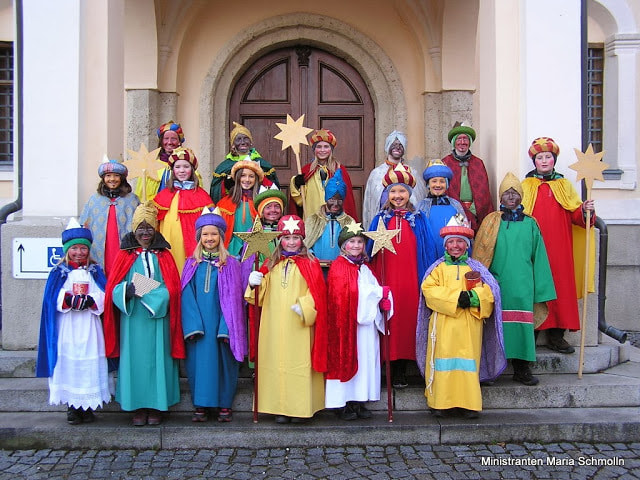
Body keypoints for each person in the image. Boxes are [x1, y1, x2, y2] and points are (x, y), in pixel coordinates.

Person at [103, 203, 185, 426]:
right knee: (135, 362)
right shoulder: (125, 255)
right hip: (132, 318)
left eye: (149, 227)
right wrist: (125, 291)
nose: (145, 232)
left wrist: (154, 296)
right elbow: (112, 287)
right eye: (141, 228)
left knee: (159, 360)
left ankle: (158, 405)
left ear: (155, 229)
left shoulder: (164, 255)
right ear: (134, 229)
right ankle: (137, 405)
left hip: (158, 317)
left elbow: (173, 288)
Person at [416, 216, 505, 419]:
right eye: (451, 242)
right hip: (444, 325)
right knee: (443, 362)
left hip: (469, 326)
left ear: (467, 245)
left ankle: (468, 403)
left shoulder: (476, 269)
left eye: (460, 242)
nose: (455, 246)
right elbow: (429, 291)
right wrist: (457, 298)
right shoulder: (437, 269)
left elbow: (490, 292)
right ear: (445, 246)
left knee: (467, 363)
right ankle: (440, 403)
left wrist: (473, 298)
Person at [473, 172, 556, 385]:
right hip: (496, 284)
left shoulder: (531, 224)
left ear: (521, 196)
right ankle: (491, 370)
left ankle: (522, 369)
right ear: (500, 197)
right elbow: (481, 252)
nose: (511, 197)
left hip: (523, 286)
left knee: (521, 329)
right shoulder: (491, 221)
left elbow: (539, 257)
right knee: (494, 328)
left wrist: (542, 288)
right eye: (507, 193)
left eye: (515, 193)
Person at [245, 215, 327, 424]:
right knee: (275, 363)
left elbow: (317, 292)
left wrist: (305, 306)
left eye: (295, 238)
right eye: (287, 238)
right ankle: (278, 407)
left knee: (299, 363)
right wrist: (254, 283)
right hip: (273, 324)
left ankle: (300, 408)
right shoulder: (270, 264)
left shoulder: (311, 263)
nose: (291, 242)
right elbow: (257, 298)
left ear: (302, 240)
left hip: (299, 324)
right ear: (279, 240)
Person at [521, 137, 596, 354]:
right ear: (534, 161)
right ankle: (531, 335)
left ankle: (556, 336)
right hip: (535, 247)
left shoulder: (564, 185)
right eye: (540, 157)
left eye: (548, 157)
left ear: (554, 160)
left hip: (560, 247)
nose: (544, 161)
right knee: (534, 287)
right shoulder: (526, 185)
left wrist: (585, 210)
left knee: (560, 287)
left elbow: (575, 214)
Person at [36, 219, 112, 424]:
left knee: (89, 364)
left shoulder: (95, 271)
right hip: (67, 327)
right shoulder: (59, 272)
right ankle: (72, 407)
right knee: (70, 364)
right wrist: (68, 300)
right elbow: (51, 299)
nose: (79, 252)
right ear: (67, 250)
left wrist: (92, 301)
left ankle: (87, 407)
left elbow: (104, 294)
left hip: (90, 326)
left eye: (83, 248)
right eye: (75, 248)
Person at [368, 164, 437, 389]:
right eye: (393, 191)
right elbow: (370, 251)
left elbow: (427, 249)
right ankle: (387, 365)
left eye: (402, 191)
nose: (397, 196)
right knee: (389, 320)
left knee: (407, 320)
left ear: (409, 194)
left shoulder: (419, 219)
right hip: (387, 280)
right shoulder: (380, 219)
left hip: (410, 280)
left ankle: (403, 368)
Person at [181, 208, 247, 422]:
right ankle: (201, 404)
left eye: (214, 234)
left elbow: (235, 298)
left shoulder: (231, 264)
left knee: (223, 365)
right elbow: (186, 295)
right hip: (199, 327)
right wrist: (193, 325)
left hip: (222, 325)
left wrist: (226, 327)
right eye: (205, 234)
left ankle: (224, 404)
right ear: (199, 237)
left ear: (221, 236)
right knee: (200, 366)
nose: (209, 238)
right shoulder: (191, 264)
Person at [325, 223, 392, 420]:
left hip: (367, 326)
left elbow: (372, 289)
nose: (356, 245)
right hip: (347, 326)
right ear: (343, 246)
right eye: (351, 242)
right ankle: (341, 403)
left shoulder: (365, 267)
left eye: (360, 242)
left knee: (365, 361)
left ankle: (358, 400)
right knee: (346, 359)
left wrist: (383, 301)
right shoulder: (339, 267)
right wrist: (378, 293)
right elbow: (349, 294)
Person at [153, 147, 214, 274]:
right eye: (178, 167)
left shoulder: (201, 195)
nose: (181, 170)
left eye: (186, 166)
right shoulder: (164, 194)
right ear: (173, 170)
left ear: (192, 170)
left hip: (191, 244)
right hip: (168, 241)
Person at [80, 158, 140, 276]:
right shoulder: (94, 199)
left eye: (116, 175)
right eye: (108, 175)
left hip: (125, 248)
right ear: (103, 178)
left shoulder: (132, 199)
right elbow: (84, 225)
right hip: (99, 249)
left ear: (122, 178)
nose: (112, 179)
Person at [289, 129, 358, 221]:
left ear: (331, 149)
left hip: (334, 219)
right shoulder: (307, 170)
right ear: (314, 149)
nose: (322, 150)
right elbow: (300, 201)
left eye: (326, 147)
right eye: (319, 147)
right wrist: (296, 185)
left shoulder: (339, 170)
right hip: (313, 217)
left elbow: (347, 200)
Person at [362, 130, 427, 228]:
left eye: (401, 145)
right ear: (388, 146)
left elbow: (419, 201)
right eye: (394, 144)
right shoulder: (376, 174)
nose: (397, 147)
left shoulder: (413, 173)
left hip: (408, 224)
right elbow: (369, 205)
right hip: (383, 225)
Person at [441, 123, 494, 232]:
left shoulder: (478, 163)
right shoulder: (445, 163)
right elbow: (445, 190)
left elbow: (483, 191)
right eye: (459, 139)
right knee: (458, 238)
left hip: (476, 212)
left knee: (475, 239)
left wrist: (472, 211)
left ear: (469, 142)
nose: (462, 142)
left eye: (465, 139)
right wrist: (462, 211)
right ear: (454, 142)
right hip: (455, 211)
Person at [210, 121, 279, 203]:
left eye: (246, 138)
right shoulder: (224, 167)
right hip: (233, 204)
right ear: (233, 144)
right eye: (238, 139)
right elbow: (217, 192)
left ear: (251, 142)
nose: (242, 142)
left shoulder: (263, 164)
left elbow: (272, 188)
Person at [135, 120, 203, 202]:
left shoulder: (187, 167)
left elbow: (198, 195)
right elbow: (141, 194)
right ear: (161, 141)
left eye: (173, 139)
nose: (169, 142)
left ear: (179, 142)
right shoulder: (149, 168)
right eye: (166, 138)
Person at [417, 159, 467, 259]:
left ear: (447, 184)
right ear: (428, 184)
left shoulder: (455, 205)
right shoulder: (421, 207)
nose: (438, 185)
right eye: (434, 181)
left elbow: (463, 230)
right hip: (428, 254)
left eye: (442, 181)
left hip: (452, 254)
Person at [304, 169, 356, 263]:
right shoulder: (313, 220)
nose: (336, 204)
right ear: (326, 199)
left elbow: (353, 246)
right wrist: (312, 256)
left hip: (341, 267)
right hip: (317, 266)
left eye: (339, 200)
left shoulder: (349, 222)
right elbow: (306, 244)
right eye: (332, 199)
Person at [216, 157, 264, 256]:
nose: (247, 179)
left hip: (254, 250)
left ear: (256, 179)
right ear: (237, 178)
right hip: (232, 250)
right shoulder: (224, 204)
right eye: (243, 175)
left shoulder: (260, 203)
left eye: (251, 176)